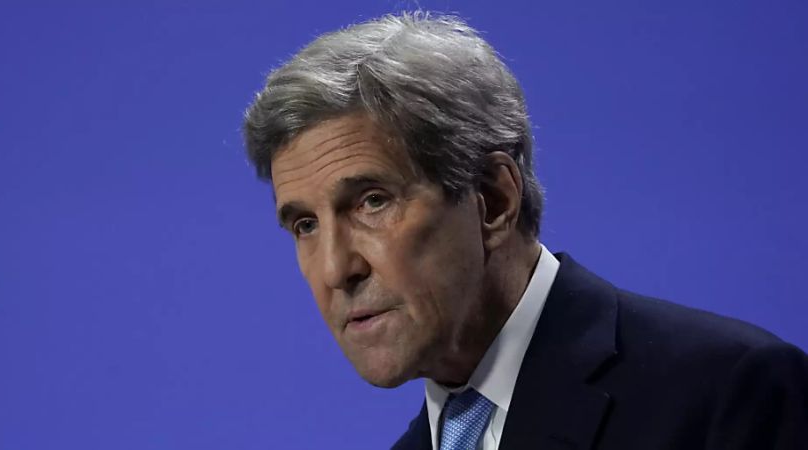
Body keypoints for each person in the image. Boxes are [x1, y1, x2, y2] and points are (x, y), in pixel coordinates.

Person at [241, 12, 808, 450]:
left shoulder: (727, 395)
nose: (337, 269)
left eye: (371, 201)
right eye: (306, 224)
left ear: (493, 199)